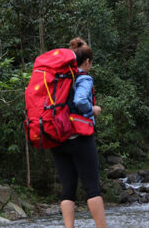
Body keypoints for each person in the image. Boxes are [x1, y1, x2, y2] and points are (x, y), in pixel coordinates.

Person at [51, 37, 107, 228]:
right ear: (87, 62)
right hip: (79, 137)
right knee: (92, 187)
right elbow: (81, 101)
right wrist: (93, 109)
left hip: (57, 137)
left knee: (68, 189)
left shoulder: (57, 78)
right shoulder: (83, 78)